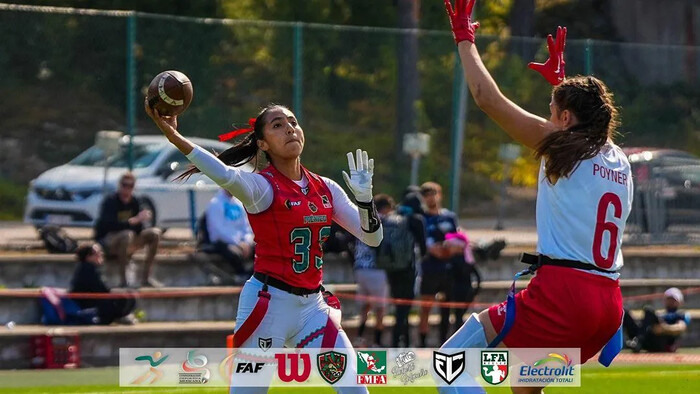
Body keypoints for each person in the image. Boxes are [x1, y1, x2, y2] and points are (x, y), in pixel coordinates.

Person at [440, 1, 633, 392]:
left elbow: (486, 98)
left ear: (564, 119)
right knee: (524, 386)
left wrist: (464, 38)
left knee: (451, 367)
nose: (546, 119)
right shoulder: (619, 158)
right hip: (607, 303)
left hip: (564, 295)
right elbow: (587, 125)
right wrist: (559, 85)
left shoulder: (563, 146)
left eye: (552, 111)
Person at [145, 101, 382, 393]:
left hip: (313, 309)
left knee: (354, 387)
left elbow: (372, 238)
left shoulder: (326, 187)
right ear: (263, 143)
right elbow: (223, 173)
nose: (289, 129)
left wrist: (365, 201)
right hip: (268, 305)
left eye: (293, 122)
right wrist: (175, 138)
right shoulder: (262, 187)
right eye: (278, 125)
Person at [94, 172, 162, 288]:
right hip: (109, 242)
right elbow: (108, 226)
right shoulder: (110, 201)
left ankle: (146, 278)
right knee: (127, 235)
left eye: (130, 186)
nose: (127, 189)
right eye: (125, 185)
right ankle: (123, 281)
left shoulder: (135, 201)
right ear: (119, 185)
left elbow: (139, 230)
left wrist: (143, 219)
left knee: (155, 233)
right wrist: (133, 220)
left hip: (129, 242)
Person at [417, 181, 460, 347]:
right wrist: (432, 249)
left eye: (433, 194)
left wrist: (450, 249)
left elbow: (458, 238)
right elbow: (422, 243)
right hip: (430, 267)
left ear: (439, 195)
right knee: (426, 307)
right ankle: (422, 343)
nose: (430, 198)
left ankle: (445, 343)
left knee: (447, 307)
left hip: (448, 268)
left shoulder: (449, 217)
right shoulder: (422, 218)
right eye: (426, 195)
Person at [353, 194, 394, 348]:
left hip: (360, 268)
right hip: (376, 270)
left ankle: (359, 338)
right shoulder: (384, 221)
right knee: (380, 308)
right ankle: (377, 342)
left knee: (365, 306)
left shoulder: (363, 220)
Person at [388, 189, 427, 348]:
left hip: (390, 268)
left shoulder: (393, 218)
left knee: (398, 307)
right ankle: (401, 343)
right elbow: (423, 248)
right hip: (408, 268)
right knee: (405, 308)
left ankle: (397, 342)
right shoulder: (416, 220)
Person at [70, 243, 137, 325]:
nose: (101, 254)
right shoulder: (87, 268)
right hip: (89, 305)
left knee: (126, 294)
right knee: (125, 297)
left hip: (94, 300)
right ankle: (110, 318)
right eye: (97, 253)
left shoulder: (87, 267)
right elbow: (102, 290)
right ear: (88, 257)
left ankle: (117, 317)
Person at [198, 188, 255, 281]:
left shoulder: (239, 204)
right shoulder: (215, 204)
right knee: (234, 253)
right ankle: (241, 275)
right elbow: (218, 230)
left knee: (260, 249)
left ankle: (253, 274)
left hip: (241, 243)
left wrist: (247, 241)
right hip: (221, 242)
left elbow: (246, 227)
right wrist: (238, 243)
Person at [623, 287, 691, 353]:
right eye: (669, 299)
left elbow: (681, 327)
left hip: (663, 341)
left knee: (649, 310)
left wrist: (664, 328)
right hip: (649, 339)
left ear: (680, 302)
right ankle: (636, 342)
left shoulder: (681, 314)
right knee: (623, 312)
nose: (670, 301)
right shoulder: (660, 314)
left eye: (673, 299)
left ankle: (637, 342)